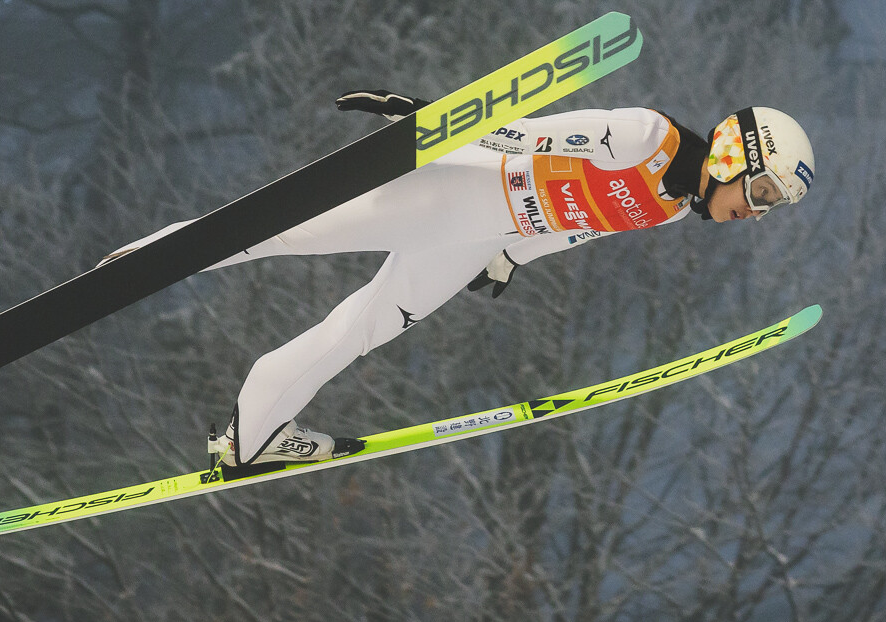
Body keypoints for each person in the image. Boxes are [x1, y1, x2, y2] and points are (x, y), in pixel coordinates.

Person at [101, 91, 815, 467]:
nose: (755, 213)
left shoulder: (671, 206)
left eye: (770, 207)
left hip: (478, 239)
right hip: (452, 192)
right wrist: (426, 118)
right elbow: (526, 133)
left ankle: (252, 435)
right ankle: (135, 264)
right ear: (733, 153)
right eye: (762, 193)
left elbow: (578, 224)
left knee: (366, 327)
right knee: (282, 231)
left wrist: (512, 258)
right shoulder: (647, 138)